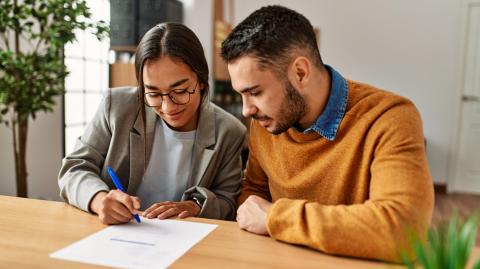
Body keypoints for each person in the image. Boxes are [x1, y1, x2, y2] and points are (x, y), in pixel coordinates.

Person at [221, 5, 433, 262]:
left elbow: (404, 230)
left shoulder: (390, 117)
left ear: (300, 72)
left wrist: (275, 219)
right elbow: (254, 195)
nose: (246, 110)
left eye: (255, 92)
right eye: (241, 94)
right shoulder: (266, 121)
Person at [59, 22, 247, 224]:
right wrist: (99, 200)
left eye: (180, 91)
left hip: (185, 241)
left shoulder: (229, 131)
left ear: (201, 81)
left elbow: (228, 201)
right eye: (154, 93)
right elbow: (74, 169)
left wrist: (196, 206)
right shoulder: (116, 107)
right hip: (118, 233)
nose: (167, 107)